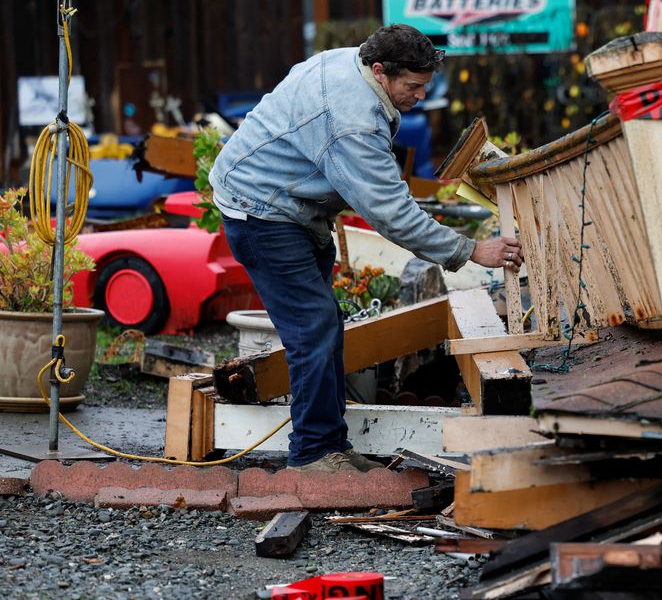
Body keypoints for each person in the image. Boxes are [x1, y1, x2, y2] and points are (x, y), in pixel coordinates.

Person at [210, 24, 523, 472]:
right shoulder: (353, 122)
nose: (421, 95)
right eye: (413, 86)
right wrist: (470, 250)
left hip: (291, 206)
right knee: (313, 328)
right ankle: (313, 456)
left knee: (323, 324)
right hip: (261, 212)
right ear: (380, 71)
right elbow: (390, 213)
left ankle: (330, 443)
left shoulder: (351, 61)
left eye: (425, 84)